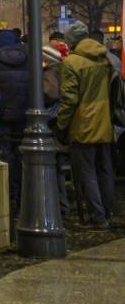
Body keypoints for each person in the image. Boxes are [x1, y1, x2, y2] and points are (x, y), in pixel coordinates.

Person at [56, 22, 115, 228]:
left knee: (87, 172)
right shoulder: (104, 57)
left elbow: (69, 99)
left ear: (71, 41)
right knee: (104, 169)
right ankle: (107, 211)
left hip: (84, 124)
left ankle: (97, 217)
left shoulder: (72, 62)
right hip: (105, 120)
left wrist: (61, 125)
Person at [0, 28, 29, 208]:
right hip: (24, 114)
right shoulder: (28, 60)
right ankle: (22, 195)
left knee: (4, 154)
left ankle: (8, 195)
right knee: (23, 155)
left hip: (2, 114)